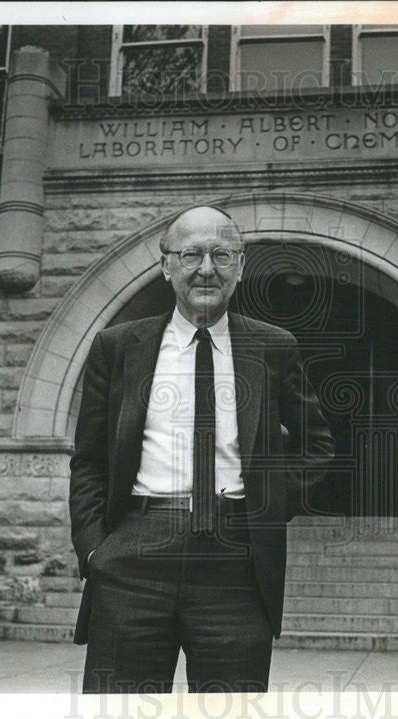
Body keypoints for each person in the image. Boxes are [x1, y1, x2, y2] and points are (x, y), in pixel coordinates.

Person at [68, 205, 335, 693]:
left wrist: (266, 508)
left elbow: (317, 446)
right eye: (191, 254)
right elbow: (89, 460)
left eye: (221, 254)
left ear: (241, 266)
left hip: (235, 565)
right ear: (166, 265)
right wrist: (94, 551)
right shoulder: (118, 346)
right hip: (133, 556)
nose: (206, 268)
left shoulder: (274, 347)